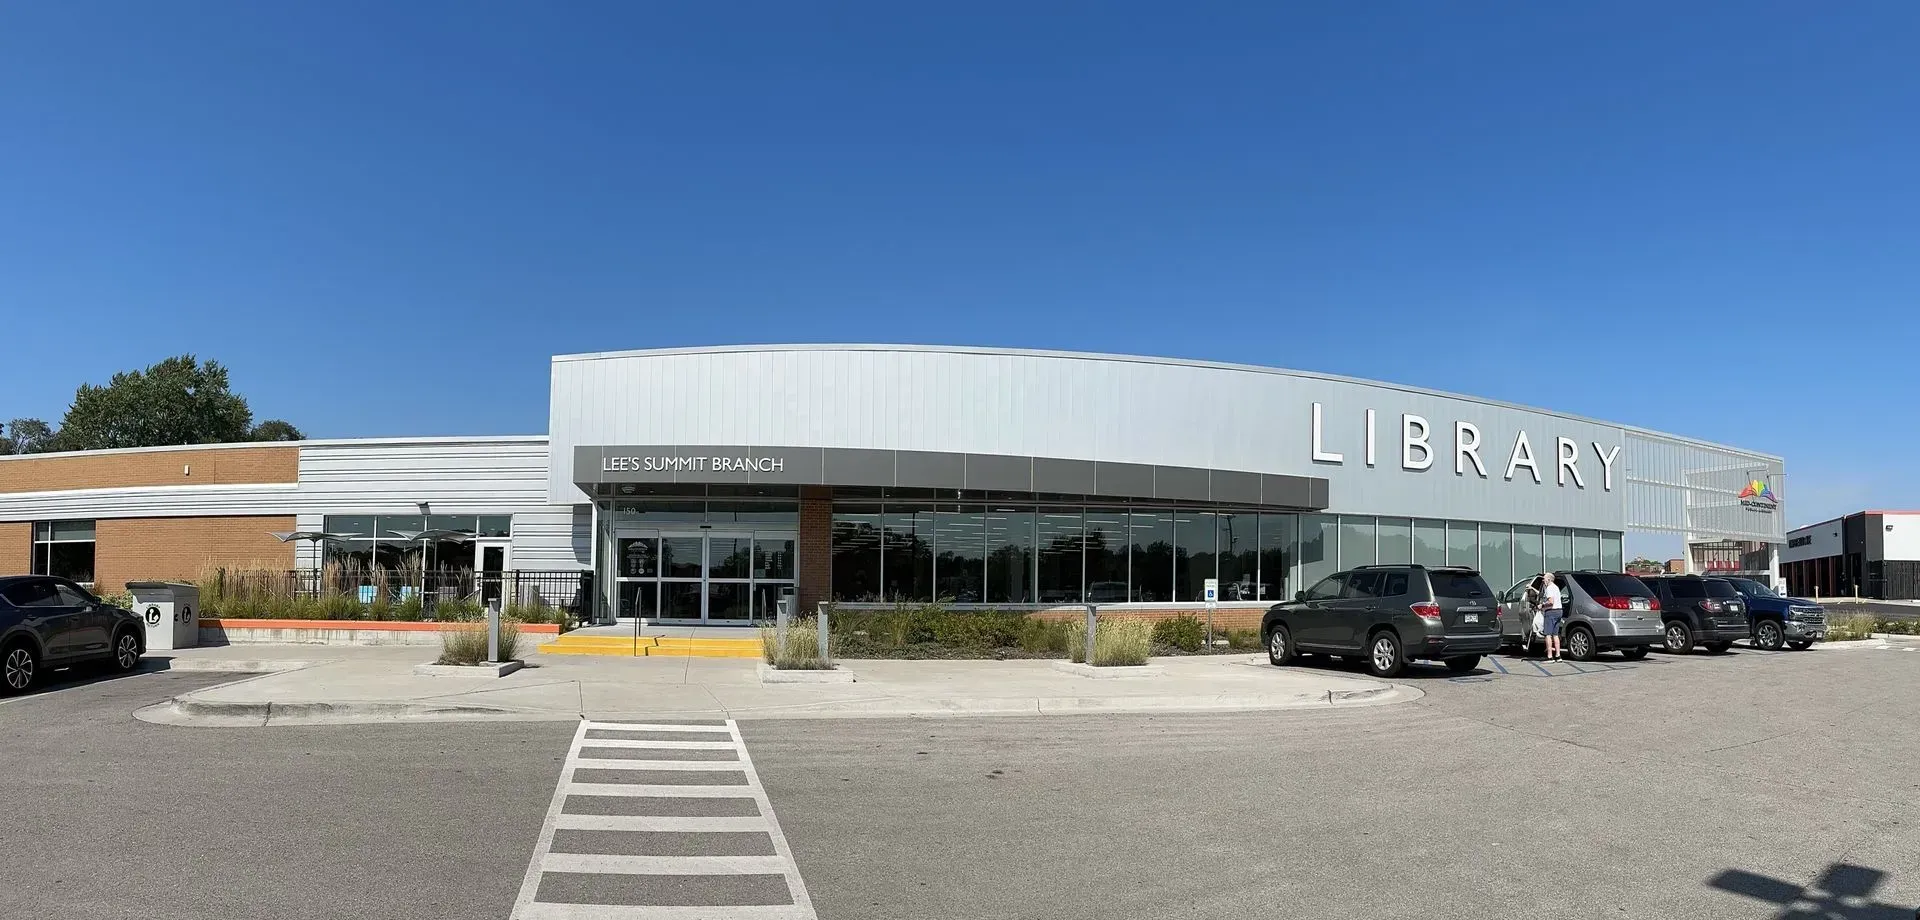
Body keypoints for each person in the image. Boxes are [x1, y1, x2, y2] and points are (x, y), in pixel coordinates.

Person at [1539, 573, 1564, 661]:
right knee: (1555, 635)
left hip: (1551, 612)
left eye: (1544, 579)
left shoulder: (1549, 588)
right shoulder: (1556, 587)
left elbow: (1551, 602)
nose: (1543, 580)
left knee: (1548, 635)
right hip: (1559, 611)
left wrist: (1542, 605)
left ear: (1549, 580)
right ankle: (1558, 655)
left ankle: (1550, 657)